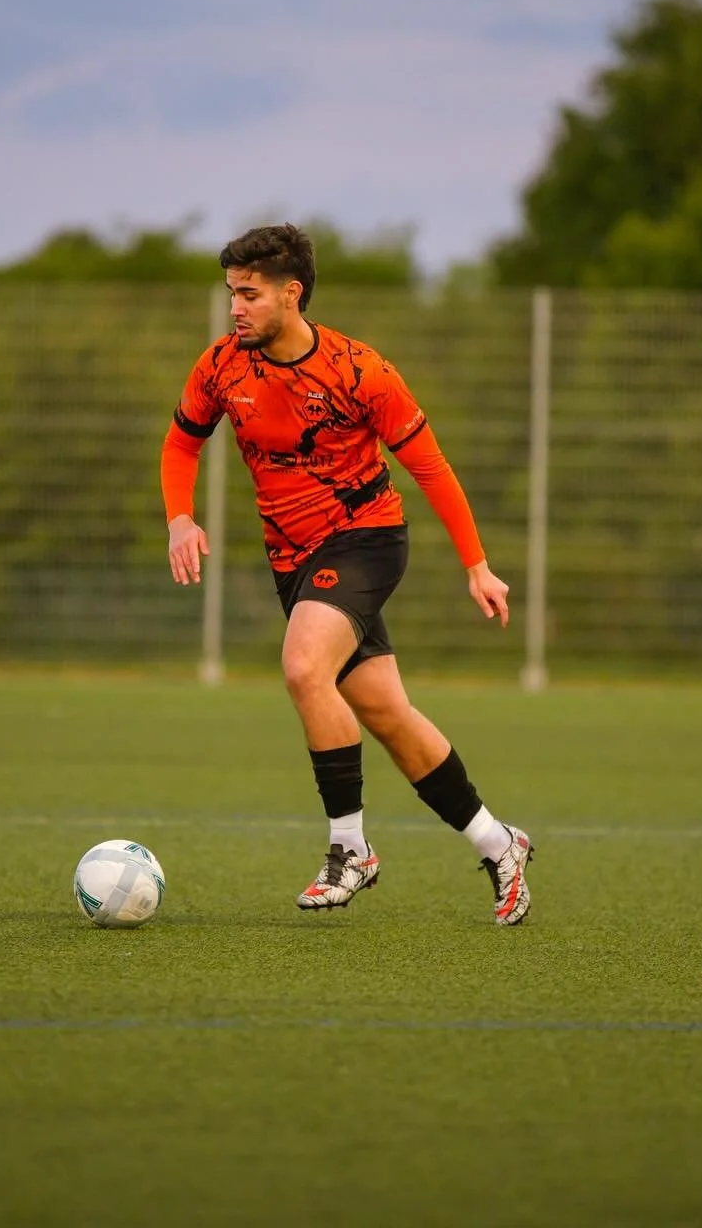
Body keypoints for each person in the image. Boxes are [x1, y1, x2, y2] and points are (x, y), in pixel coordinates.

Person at [160, 224, 534, 926]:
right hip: (292, 560)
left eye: (248, 294)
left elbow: (431, 469)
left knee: (305, 668)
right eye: (230, 294)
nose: (234, 308)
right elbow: (181, 444)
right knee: (388, 714)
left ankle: (350, 848)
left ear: (290, 294)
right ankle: (497, 842)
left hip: (366, 540)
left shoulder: (361, 371)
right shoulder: (219, 367)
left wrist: (477, 565)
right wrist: (180, 518)